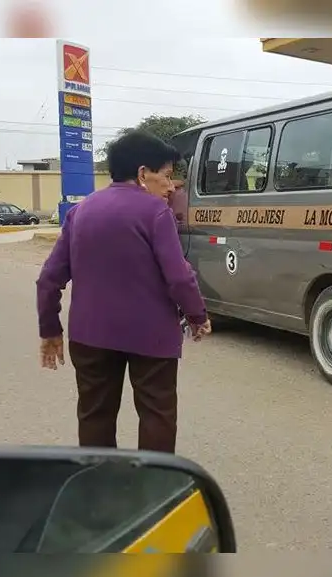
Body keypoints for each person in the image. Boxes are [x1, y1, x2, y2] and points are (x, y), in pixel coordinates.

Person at [36, 131, 212, 454]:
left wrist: (50, 329)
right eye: (168, 176)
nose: (172, 187)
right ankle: (155, 490)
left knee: (94, 417)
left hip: (90, 338)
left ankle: (99, 486)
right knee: (157, 415)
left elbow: (49, 279)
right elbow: (178, 276)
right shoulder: (156, 213)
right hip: (152, 340)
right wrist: (197, 316)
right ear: (143, 174)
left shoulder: (80, 212)